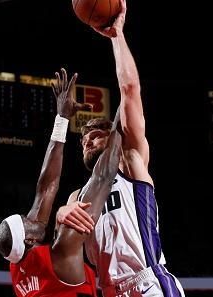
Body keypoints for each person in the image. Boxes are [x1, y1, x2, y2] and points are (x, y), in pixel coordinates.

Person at [56, 1, 185, 296]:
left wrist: (117, 36)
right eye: (84, 140)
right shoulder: (79, 196)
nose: (87, 140)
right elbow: (62, 248)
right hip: (107, 291)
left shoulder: (130, 160)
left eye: (96, 135)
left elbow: (129, 90)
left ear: (112, 139)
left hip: (147, 283)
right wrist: (62, 214)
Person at [0, 68, 123, 297]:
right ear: (29, 238)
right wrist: (127, 98)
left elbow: (45, 188)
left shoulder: (18, 264)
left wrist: (62, 119)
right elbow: (103, 175)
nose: (31, 215)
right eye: (27, 220)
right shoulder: (62, 253)